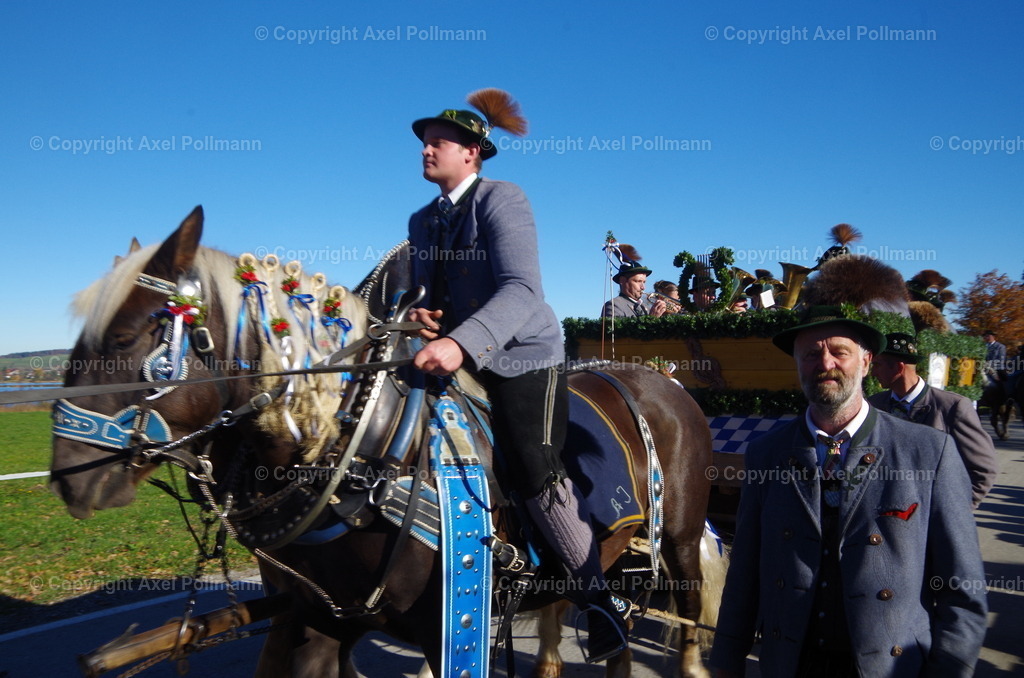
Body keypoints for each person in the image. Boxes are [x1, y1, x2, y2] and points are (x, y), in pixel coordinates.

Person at [406, 89, 628, 663]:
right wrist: (418, 315)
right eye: (425, 141)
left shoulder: (503, 199)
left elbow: (523, 290)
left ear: (473, 153)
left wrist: (461, 341)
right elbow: (428, 293)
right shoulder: (421, 219)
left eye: (439, 141)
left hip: (522, 354)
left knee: (533, 460)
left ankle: (597, 598)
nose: (427, 148)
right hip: (458, 351)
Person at [709, 306, 987, 677]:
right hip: (791, 665)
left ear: (867, 362)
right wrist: (726, 664)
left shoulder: (928, 452)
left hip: (891, 667)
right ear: (797, 365)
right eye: (811, 354)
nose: (825, 363)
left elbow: (962, 590)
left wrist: (948, 671)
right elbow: (745, 573)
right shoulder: (767, 453)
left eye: (839, 351)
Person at [868, 332, 999, 509]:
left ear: (898, 368)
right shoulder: (873, 405)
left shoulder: (953, 407)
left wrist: (954, 512)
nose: (872, 372)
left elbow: (983, 469)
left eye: (877, 364)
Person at [601, 261, 667, 318]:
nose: (643, 287)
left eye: (644, 282)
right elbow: (619, 332)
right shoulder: (613, 306)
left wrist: (666, 315)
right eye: (638, 281)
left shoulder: (645, 307)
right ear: (622, 280)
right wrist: (652, 319)